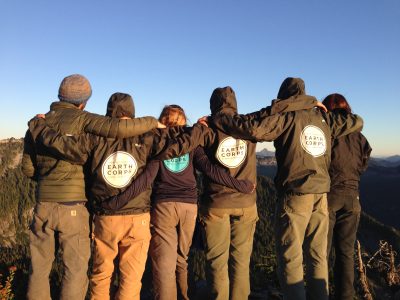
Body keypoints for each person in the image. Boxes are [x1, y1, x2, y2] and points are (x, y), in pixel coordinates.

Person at [29, 92, 213, 300]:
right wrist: (198, 129)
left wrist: (39, 126)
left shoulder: (94, 137)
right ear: (132, 113)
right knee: (131, 280)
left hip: (105, 217)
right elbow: (178, 145)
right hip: (138, 218)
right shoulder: (147, 137)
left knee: (101, 276)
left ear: (109, 113)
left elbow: (64, 146)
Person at [209, 78, 364, 300]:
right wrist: (321, 108)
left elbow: (252, 129)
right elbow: (357, 121)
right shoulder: (323, 119)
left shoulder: (287, 118)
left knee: (291, 257)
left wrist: (221, 119)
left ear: (285, 97)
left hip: (296, 194)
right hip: (321, 195)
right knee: (317, 257)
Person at [22, 75, 162, 300]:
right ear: (83, 101)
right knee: (77, 270)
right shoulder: (86, 120)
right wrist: (153, 121)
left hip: (45, 205)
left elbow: (28, 170)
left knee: (40, 269)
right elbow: (118, 128)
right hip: (78, 207)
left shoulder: (38, 124)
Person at [106, 104, 255, 300]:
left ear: (163, 120)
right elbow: (209, 169)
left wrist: (117, 202)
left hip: (164, 207)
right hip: (189, 207)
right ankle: (186, 296)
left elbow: (146, 178)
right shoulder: (192, 141)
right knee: (182, 259)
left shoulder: (158, 141)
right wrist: (239, 185)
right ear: (183, 120)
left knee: (163, 263)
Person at [187, 86, 323, 300]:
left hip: (216, 204)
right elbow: (270, 112)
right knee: (241, 262)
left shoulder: (208, 127)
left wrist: (196, 126)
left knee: (216, 262)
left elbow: (190, 148)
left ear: (213, 105)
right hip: (246, 203)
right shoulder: (248, 124)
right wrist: (308, 102)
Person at [322, 93, 371, 300]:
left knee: (321, 254)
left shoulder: (327, 132)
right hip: (353, 198)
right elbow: (363, 164)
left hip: (329, 196)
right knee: (345, 254)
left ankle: (320, 294)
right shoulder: (360, 137)